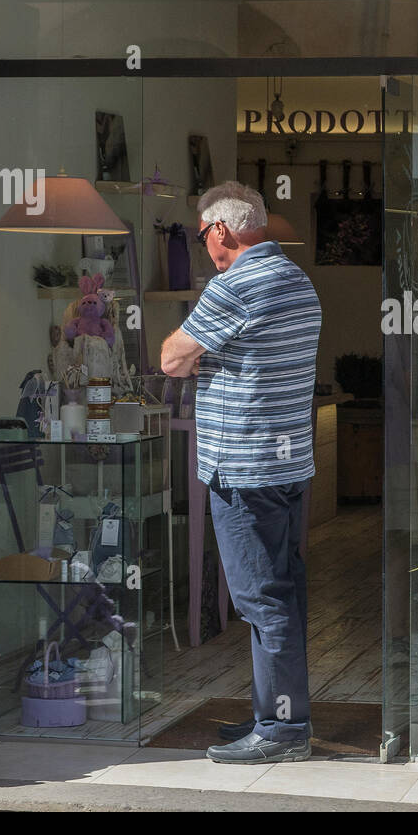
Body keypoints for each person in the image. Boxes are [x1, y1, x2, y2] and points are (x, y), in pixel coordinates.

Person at [161, 181, 321, 764]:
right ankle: (276, 716)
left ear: (222, 231)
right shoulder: (298, 281)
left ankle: (282, 731)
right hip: (287, 466)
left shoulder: (235, 286)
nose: (205, 247)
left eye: (202, 236)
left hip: (244, 467)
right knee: (282, 594)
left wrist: (200, 348)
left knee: (261, 600)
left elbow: (171, 357)